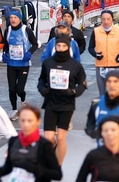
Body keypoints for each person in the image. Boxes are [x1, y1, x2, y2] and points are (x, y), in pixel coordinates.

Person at [37, 34, 87, 165]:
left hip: (67, 105)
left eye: (64, 46)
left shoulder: (75, 65)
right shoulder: (48, 63)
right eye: (58, 45)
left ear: (68, 47)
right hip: (50, 104)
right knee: (48, 139)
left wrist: (75, 92)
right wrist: (43, 90)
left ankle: (57, 167)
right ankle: (53, 152)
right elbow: (41, 80)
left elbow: (83, 84)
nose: (61, 48)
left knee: (60, 138)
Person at [0, 105, 62, 181]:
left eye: (30, 121)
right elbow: (7, 168)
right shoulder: (13, 141)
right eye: (23, 120)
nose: (26, 125)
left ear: (38, 121)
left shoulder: (44, 145)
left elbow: (57, 174)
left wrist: (35, 169)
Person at [77, 116, 119, 181]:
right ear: (102, 134)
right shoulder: (93, 156)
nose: (109, 133)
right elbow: (80, 179)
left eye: (113, 130)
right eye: (106, 130)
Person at [2, 10, 38, 120]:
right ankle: (14, 110)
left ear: (19, 19)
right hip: (11, 64)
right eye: (11, 18)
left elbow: (35, 44)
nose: (13, 20)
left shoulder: (26, 30)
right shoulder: (7, 30)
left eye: (15, 17)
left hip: (24, 64)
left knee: (19, 89)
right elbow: (6, 44)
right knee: (12, 89)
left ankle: (23, 100)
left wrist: (29, 53)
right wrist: (5, 54)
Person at [88, 10, 119, 95]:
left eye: (108, 19)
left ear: (112, 19)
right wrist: (95, 54)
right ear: (101, 19)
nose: (106, 21)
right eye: (103, 19)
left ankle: (115, 108)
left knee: (115, 93)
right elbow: (90, 48)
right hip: (101, 66)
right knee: (103, 94)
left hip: (115, 66)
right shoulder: (96, 31)